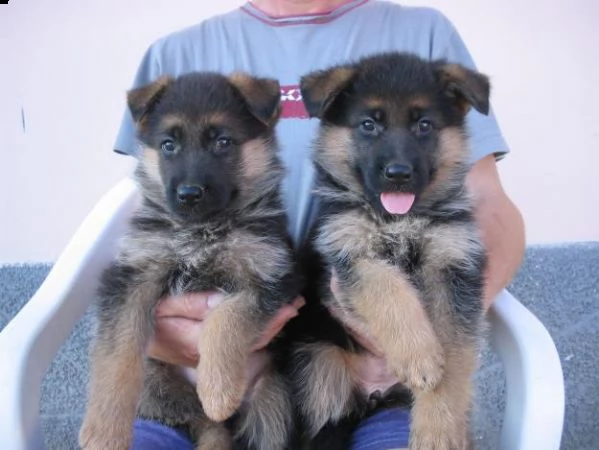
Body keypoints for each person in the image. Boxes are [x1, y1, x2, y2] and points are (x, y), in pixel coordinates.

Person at [113, 1, 525, 448]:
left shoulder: (424, 32)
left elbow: (488, 203)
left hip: (372, 371)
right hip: (206, 373)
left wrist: (438, 326)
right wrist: (155, 333)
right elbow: (149, 220)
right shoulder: (175, 54)